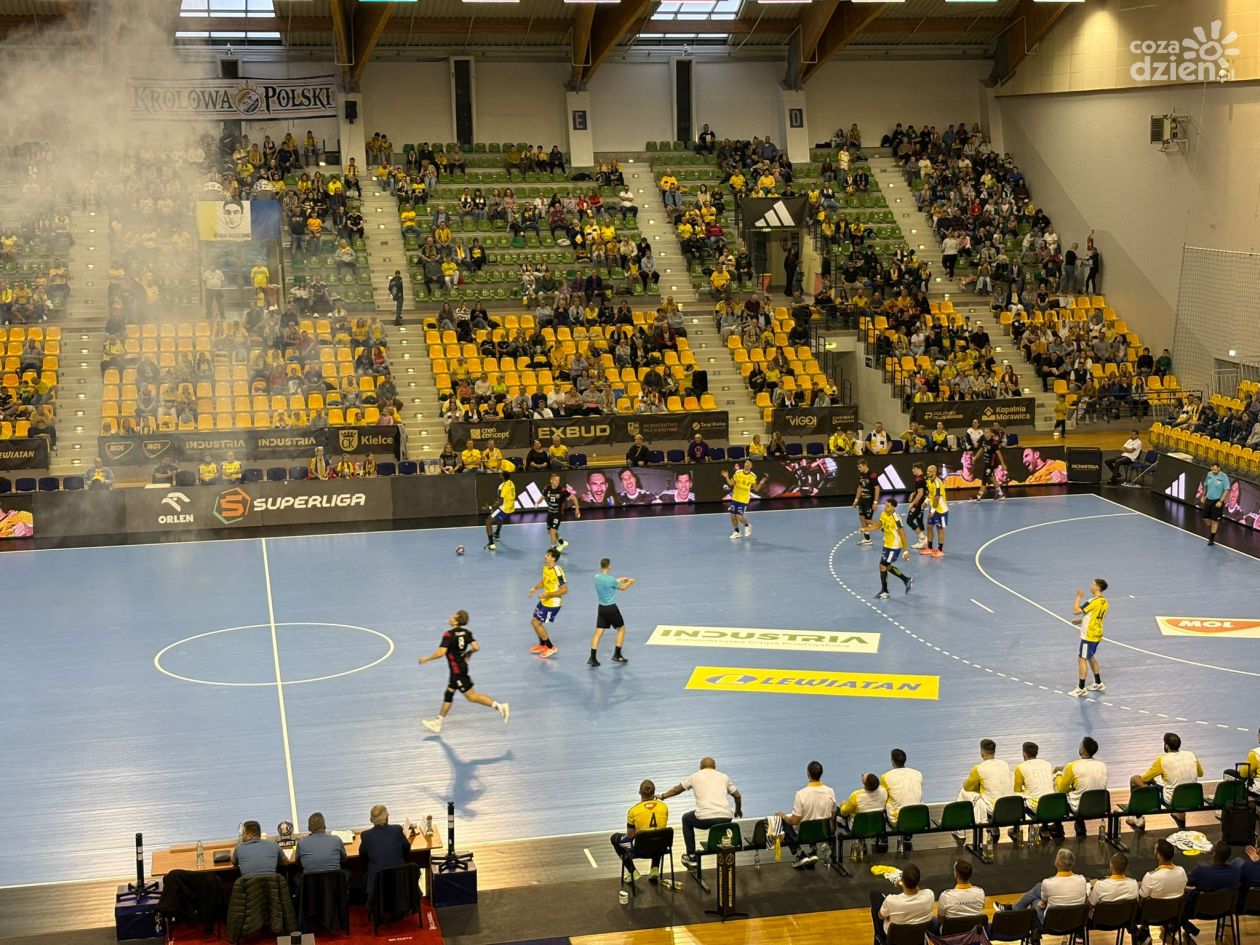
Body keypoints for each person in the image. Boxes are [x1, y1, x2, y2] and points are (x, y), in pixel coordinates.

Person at [419, 610, 510, 733]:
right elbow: (476, 647)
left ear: (455, 621)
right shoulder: (467, 633)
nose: (450, 617)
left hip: (457, 671)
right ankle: (438, 722)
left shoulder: (448, 634)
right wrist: (468, 652)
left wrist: (427, 658)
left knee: (472, 696)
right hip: (460, 667)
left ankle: (500, 706)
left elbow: (441, 652)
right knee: (449, 693)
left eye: (453, 616)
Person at [656, 758, 743, 867]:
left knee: (686, 819)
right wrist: (738, 810)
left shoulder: (695, 776)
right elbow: (737, 796)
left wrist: (663, 796)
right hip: (726, 817)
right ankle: (722, 848)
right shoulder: (724, 777)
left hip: (705, 818)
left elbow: (676, 789)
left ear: (701, 767)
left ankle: (691, 856)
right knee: (719, 825)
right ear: (714, 767)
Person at [1127, 732, 1203, 830]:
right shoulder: (1191, 755)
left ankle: (1138, 818)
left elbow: (1145, 778)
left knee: (1135, 779)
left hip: (1172, 800)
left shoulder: (1162, 759)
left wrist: (1153, 780)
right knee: (1181, 784)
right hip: (1194, 798)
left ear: (1166, 745)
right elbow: (1200, 774)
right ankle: (1180, 814)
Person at [1004, 847, 1088, 927]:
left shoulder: (1048, 883)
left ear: (1057, 863)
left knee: (1035, 900)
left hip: (1052, 924)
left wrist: (1044, 902)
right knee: (1038, 888)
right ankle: (1014, 909)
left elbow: (1044, 900)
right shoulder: (1082, 880)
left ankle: (1015, 912)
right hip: (1076, 923)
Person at [776, 760, 837, 869]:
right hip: (823, 831)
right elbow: (832, 816)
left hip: (804, 834)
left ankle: (799, 853)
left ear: (808, 774)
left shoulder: (801, 794)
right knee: (815, 816)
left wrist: (783, 816)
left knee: (783, 821)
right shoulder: (830, 791)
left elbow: (795, 821)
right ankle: (813, 850)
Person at [610, 780, 669, 884]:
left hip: (640, 850)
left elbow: (630, 836)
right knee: (656, 835)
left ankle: (632, 871)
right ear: (654, 792)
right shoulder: (663, 807)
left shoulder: (633, 811)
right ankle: (655, 869)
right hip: (661, 848)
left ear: (640, 793)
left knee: (614, 838)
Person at [955, 738, 1013, 843]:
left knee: (963, 792)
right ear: (994, 751)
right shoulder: (1005, 764)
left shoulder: (979, 768)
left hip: (992, 809)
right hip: (1009, 806)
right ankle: (994, 829)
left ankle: (960, 831)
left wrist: (979, 787)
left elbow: (967, 787)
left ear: (981, 752)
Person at [1182, 840, 1240, 938]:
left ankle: (1178, 925)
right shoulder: (1236, 871)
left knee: (1179, 901)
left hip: (1199, 911)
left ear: (1214, 853)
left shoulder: (1201, 872)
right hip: (1225, 910)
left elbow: (1185, 881)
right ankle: (1183, 926)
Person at [1135, 839, 1188, 944]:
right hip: (1173, 914)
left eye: (1155, 850)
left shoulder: (1151, 876)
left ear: (1158, 855)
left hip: (1151, 917)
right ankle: (1168, 928)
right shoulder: (1182, 871)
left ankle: (1144, 933)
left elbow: (1141, 899)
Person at [1055, 737, 1108, 837]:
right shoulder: (1102, 765)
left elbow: (1061, 789)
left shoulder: (1073, 766)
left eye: (1080, 745)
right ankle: (1080, 828)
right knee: (1079, 793)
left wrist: (1058, 774)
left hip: (1081, 807)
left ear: (1082, 750)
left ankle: (1058, 832)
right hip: (1101, 806)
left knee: (1057, 797)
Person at [862, 497, 912, 600]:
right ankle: (906, 579)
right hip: (887, 544)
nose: (885, 507)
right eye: (885, 505)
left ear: (893, 507)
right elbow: (878, 525)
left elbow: (903, 535)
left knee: (883, 565)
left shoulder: (896, 519)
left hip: (894, 546)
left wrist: (906, 551)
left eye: (888, 506)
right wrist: (866, 529)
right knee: (887, 566)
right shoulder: (883, 514)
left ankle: (885, 591)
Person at [871, 862, 934, 944]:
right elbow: (917, 891)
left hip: (894, 939)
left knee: (874, 895)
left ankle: (879, 939)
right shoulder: (929, 895)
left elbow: (880, 916)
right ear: (918, 881)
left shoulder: (891, 900)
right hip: (918, 939)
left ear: (902, 880)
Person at [589, 557, 635, 667]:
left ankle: (592, 658)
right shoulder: (611, 580)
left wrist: (619, 579)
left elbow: (609, 581)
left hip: (601, 608)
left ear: (601, 565)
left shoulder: (596, 577)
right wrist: (630, 582)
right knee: (621, 629)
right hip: (611, 609)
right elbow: (623, 588)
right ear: (609, 566)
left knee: (598, 632)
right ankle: (617, 655)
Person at [358, 805, 411, 896]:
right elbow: (407, 848)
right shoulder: (397, 829)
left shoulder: (366, 835)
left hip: (377, 885)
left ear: (371, 820)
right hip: (399, 881)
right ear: (387, 818)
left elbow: (362, 856)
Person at [1069, 578, 1109, 697]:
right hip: (1097, 634)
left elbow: (1075, 611)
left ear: (1097, 587)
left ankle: (1081, 688)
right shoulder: (1105, 602)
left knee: (1082, 658)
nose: (1091, 585)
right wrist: (1081, 621)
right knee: (1090, 656)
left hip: (1089, 636)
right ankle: (1098, 683)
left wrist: (1078, 597)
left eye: (1093, 584)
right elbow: (1095, 617)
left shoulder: (1092, 601)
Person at [880, 749, 924, 852]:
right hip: (919, 818)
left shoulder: (885, 777)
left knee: (879, 804)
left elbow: (882, 798)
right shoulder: (918, 773)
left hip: (898, 820)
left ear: (892, 761)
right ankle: (907, 837)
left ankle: (882, 838)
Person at [1013, 741, 1058, 841]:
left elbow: (1017, 790)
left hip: (1036, 807)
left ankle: (1015, 831)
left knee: (1018, 801)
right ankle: (1044, 829)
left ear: (1024, 754)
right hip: (1051, 804)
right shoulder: (1047, 764)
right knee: (1041, 797)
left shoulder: (1020, 767)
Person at [526, 548, 566, 657]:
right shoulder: (545, 567)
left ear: (553, 558)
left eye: (548, 555)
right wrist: (534, 588)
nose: (545, 556)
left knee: (537, 623)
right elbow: (544, 582)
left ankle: (550, 647)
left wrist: (548, 594)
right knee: (534, 622)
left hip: (553, 603)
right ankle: (542, 645)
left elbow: (564, 590)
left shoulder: (558, 571)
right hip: (545, 600)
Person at [721, 459, 768, 541]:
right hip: (735, 497)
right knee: (732, 516)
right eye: (746, 463)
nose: (747, 464)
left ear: (751, 466)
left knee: (739, 516)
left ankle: (747, 525)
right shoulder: (738, 473)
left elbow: (756, 489)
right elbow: (731, 483)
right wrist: (727, 477)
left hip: (743, 499)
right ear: (744, 464)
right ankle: (737, 532)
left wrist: (760, 483)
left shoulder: (753, 476)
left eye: (749, 463)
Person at [295, 811, 348, 878]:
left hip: (311, 883)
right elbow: (344, 859)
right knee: (347, 872)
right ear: (324, 826)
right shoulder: (336, 840)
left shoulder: (301, 842)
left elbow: (298, 862)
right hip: (334, 882)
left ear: (309, 828)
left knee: (296, 876)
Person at [935, 859, 986, 927]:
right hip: (974, 931)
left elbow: (940, 919)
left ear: (955, 874)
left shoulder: (945, 896)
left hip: (952, 932)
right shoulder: (980, 892)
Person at [542, 472, 580, 550]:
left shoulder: (562, 490)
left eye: (558, 480)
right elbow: (543, 496)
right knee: (549, 531)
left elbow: (574, 498)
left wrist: (577, 509)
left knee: (552, 531)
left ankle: (553, 549)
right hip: (550, 514)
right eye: (556, 480)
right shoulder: (547, 488)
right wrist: (537, 502)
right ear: (551, 481)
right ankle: (562, 542)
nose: (558, 482)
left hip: (558, 514)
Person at [484, 467, 516, 551]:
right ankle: (497, 533)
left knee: (488, 522)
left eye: (501, 474)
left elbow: (500, 502)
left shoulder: (503, 486)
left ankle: (491, 544)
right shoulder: (511, 483)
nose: (499, 475)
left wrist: (490, 507)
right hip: (510, 508)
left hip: (503, 509)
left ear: (503, 477)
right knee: (499, 518)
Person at [973, 425, 1006, 501]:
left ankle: (978, 496)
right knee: (992, 478)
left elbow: (998, 453)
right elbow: (981, 449)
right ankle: (1000, 493)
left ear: (991, 433)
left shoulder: (994, 442)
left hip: (991, 464)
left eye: (987, 432)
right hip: (986, 462)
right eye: (984, 432)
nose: (985, 433)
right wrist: (975, 457)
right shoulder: (984, 441)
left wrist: (1003, 463)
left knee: (984, 478)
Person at [922, 463, 948, 557]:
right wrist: (925, 502)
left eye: (930, 471)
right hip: (933, 508)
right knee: (929, 526)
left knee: (939, 529)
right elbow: (931, 494)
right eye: (927, 471)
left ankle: (940, 550)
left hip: (941, 510)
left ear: (934, 472)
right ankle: (929, 548)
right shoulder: (928, 481)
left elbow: (936, 497)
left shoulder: (938, 483)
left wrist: (932, 511)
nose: (928, 473)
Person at [853, 458, 880, 546]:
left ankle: (882, 525)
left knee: (868, 520)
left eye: (860, 467)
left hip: (870, 500)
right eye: (858, 467)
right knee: (862, 518)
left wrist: (875, 502)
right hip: (863, 500)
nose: (859, 469)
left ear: (865, 465)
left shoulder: (872, 475)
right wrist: (856, 500)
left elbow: (877, 488)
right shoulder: (861, 474)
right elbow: (860, 487)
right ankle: (867, 539)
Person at [1203, 461, 1230, 545]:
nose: (1214, 471)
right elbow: (1205, 485)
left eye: (1215, 470)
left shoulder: (1224, 477)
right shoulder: (1209, 474)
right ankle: (1212, 529)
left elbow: (1226, 490)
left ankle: (1211, 538)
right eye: (1213, 469)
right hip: (1208, 499)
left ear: (1219, 469)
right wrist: (1203, 495)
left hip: (1217, 501)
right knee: (1205, 518)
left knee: (1215, 520)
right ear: (1211, 468)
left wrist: (1221, 501)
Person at [906, 463, 928, 549]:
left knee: (909, 521)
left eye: (914, 468)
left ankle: (923, 538)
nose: (912, 470)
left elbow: (920, 493)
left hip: (918, 504)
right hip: (922, 503)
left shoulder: (919, 479)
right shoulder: (924, 478)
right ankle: (922, 542)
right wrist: (913, 493)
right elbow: (921, 490)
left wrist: (912, 503)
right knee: (919, 520)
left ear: (919, 469)